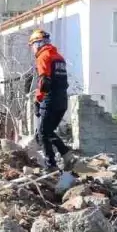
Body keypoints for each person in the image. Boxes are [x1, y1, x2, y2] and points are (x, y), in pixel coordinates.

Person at [30, 29, 71, 169]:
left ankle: (50, 165)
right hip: (62, 100)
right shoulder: (59, 57)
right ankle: (66, 154)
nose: (33, 48)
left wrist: (37, 100)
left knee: (42, 133)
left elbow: (45, 82)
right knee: (47, 131)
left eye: (33, 45)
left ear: (38, 43)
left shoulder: (43, 56)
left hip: (50, 100)